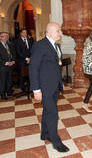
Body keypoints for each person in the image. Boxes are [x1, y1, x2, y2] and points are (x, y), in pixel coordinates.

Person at [29, 22, 69, 153]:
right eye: (58, 31)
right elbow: (33, 68)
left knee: (47, 111)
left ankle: (44, 134)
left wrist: (60, 82)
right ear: (50, 32)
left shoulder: (56, 46)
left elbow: (57, 66)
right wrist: (36, 90)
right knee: (53, 113)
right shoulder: (40, 46)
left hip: (54, 86)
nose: (61, 33)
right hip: (44, 87)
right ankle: (56, 142)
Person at [0, 32, 16, 100]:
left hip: (10, 65)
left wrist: (13, 61)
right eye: (4, 36)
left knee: (9, 80)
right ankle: (3, 94)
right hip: (2, 66)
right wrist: (6, 63)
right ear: (0, 38)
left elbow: (13, 54)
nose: (6, 37)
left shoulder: (9, 44)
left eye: (7, 36)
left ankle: (9, 92)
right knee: (3, 81)